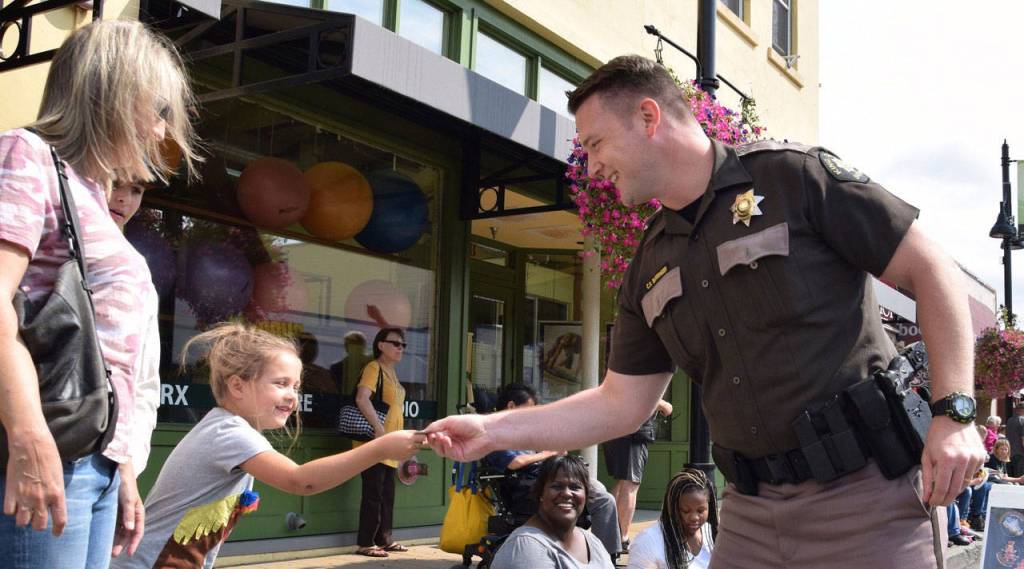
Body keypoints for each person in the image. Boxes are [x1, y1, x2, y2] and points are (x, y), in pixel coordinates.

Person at [424, 55, 986, 568]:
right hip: (748, 517)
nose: (591, 168)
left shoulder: (793, 178)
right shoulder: (648, 262)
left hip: (867, 504)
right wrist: (491, 430)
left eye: (595, 144)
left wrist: (954, 414)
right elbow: (619, 404)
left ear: (648, 117)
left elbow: (931, 269)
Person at [0, 20, 200, 568]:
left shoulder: (90, 192)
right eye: (158, 107)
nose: (162, 129)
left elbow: (117, 360)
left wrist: (124, 471)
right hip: (49, 449)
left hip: (95, 463)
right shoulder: (29, 155)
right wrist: (28, 435)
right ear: (112, 90)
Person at [109, 323, 424, 568]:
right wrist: (380, 448)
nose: (293, 395)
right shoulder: (228, 432)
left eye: (297, 386)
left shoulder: (229, 428)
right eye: (281, 383)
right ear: (237, 386)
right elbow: (301, 480)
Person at [481, 383, 621, 558]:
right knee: (603, 501)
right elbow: (515, 462)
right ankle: (606, 556)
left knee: (602, 497)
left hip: (549, 476)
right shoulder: (496, 432)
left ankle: (607, 555)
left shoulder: (521, 430)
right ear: (511, 406)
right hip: (527, 486)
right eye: (529, 409)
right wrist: (547, 454)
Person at [107, 180, 161, 479]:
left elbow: (144, 383)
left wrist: (128, 467)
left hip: (110, 467)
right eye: (115, 183)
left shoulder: (137, 270)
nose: (123, 199)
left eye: (137, 191)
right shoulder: (44, 244)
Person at [491, 454, 614, 569]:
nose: (567, 493)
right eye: (557, 486)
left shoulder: (591, 541)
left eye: (575, 487)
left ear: (586, 495)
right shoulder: (526, 548)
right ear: (540, 493)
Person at [354, 327, 409, 558]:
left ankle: (384, 538)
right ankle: (365, 542)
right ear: (380, 345)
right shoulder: (373, 368)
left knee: (387, 494)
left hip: (391, 444)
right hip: (375, 442)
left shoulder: (392, 373)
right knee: (373, 493)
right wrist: (378, 428)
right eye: (396, 343)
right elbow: (362, 398)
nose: (400, 348)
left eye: (403, 345)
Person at [604, 396, 672, 551]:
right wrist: (664, 404)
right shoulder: (643, 375)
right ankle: (622, 537)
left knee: (622, 483)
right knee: (630, 485)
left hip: (615, 431)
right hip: (632, 434)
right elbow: (653, 400)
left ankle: (609, 532)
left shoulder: (620, 373)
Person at [627, 468, 717, 569]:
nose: (694, 517)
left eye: (700, 511)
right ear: (672, 508)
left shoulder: (712, 534)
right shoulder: (647, 541)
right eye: (686, 511)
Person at [330, 330, 371, 397]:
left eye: (358, 346)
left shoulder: (373, 366)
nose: (355, 349)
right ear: (346, 348)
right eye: (352, 345)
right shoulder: (336, 368)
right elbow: (333, 392)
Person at [1007, 402, 1024, 477]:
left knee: (1012, 479)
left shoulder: (1009, 420)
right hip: (1020, 454)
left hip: (1009, 453)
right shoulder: (1023, 420)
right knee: (1020, 479)